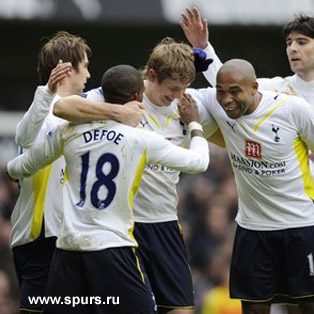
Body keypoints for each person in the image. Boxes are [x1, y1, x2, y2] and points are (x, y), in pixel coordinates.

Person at [6, 64, 210, 314]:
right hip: (112, 249)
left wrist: (12, 171)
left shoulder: (69, 131)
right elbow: (199, 162)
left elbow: (22, 165)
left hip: (68, 250)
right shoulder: (140, 138)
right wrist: (194, 126)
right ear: (137, 97)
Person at [54, 37, 223, 314]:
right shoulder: (123, 94)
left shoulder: (189, 103)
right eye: (172, 90)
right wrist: (118, 112)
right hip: (122, 229)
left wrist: (194, 120)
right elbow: (62, 107)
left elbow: (235, 95)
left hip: (164, 224)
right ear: (152, 76)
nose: (178, 96)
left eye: (184, 89)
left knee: (182, 309)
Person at [12, 31, 145, 314]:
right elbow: (24, 138)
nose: (88, 74)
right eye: (84, 66)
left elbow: (119, 87)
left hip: (59, 238)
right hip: (42, 238)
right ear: (68, 69)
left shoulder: (80, 108)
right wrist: (118, 114)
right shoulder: (44, 113)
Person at [186, 58, 314, 314]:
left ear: (255, 88)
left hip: (300, 225)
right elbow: (177, 93)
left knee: (304, 306)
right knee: (254, 309)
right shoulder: (217, 102)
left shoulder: (293, 109)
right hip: (252, 229)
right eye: (221, 92)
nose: (226, 100)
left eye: (235, 92)